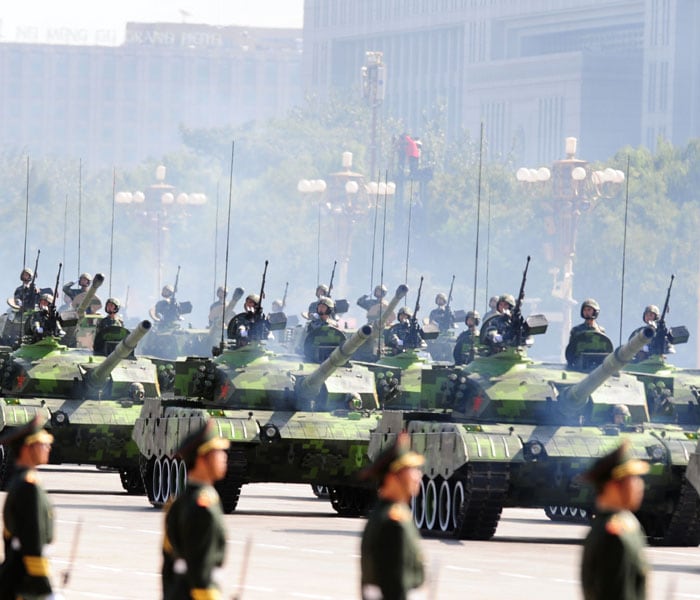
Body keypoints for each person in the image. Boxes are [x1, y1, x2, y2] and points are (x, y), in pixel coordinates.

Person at [162, 419, 230, 600]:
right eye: (217, 451)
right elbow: (201, 576)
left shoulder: (177, 503)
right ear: (202, 458)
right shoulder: (203, 508)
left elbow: (168, 566)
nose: (224, 456)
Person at [359, 432, 426, 600]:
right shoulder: (394, 524)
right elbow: (396, 584)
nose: (418, 475)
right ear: (391, 477)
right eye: (410, 469)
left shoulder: (383, 515)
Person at [580, 440, 649, 600]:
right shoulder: (614, 536)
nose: (639, 485)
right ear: (612, 485)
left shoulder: (627, 526)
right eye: (631, 479)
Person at [0, 414, 56, 599]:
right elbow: (32, 545)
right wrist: (45, 590)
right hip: (26, 585)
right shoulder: (28, 488)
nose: (47, 446)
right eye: (42, 442)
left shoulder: (21, 483)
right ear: (26, 448)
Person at [565, 298, 608, 367]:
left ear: (595, 312)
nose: (586, 312)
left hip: (596, 367)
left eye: (589, 310)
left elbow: (605, 352)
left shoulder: (601, 331)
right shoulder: (576, 330)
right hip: (579, 366)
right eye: (584, 310)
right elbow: (571, 352)